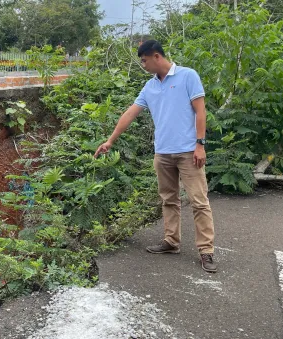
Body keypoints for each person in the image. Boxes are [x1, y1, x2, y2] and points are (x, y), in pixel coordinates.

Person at [94, 40, 217, 273]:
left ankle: (206, 251)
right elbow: (130, 113)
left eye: (144, 60)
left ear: (156, 57)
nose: (143, 65)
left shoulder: (187, 76)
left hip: (188, 151)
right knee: (169, 199)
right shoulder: (149, 87)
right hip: (162, 153)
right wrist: (110, 140)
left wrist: (200, 145)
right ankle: (171, 242)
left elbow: (201, 111)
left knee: (199, 202)